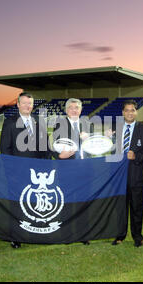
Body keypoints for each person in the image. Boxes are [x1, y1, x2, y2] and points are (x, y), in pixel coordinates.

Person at [0, 92, 50, 248]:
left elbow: (46, 148)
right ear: (18, 104)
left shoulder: (39, 122)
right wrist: (11, 170)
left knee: (34, 203)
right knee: (16, 204)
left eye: (30, 103)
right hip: (17, 173)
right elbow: (5, 149)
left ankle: (33, 233)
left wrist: (45, 167)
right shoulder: (9, 122)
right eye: (24, 103)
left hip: (37, 173)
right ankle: (15, 236)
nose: (27, 106)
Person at [111, 100, 143, 247]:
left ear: (136, 112)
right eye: (127, 110)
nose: (130, 113)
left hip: (136, 176)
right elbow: (111, 152)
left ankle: (137, 236)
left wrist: (136, 156)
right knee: (120, 209)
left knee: (137, 208)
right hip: (119, 178)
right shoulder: (115, 128)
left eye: (133, 110)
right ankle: (119, 235)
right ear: (123, 112)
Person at [52, 98, 93, 245]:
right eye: (71, 107)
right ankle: (66, 234)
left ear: (81, 110)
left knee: (83, 202)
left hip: (84, 170)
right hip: (67, 170)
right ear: (66, 110)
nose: (74, 110)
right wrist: (59, 156)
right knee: (67, 202)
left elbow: (93, 147)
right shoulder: (59, 125)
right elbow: (53, 146)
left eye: (77, 107)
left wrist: (88, 139)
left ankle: (84, 235)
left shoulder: (87, 125)